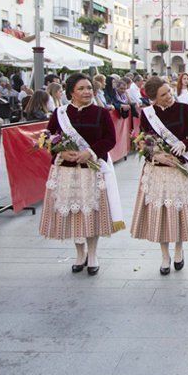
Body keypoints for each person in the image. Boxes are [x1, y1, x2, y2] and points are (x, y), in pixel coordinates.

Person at [38, 73, 124, 276]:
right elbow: (48, 137)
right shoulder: (59, 113)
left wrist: (90, 152)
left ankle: (93, 254)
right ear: (71, 93)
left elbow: (109, 139)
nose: (87, 92)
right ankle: (80, 253)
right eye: (82, 89)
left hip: (91, 171)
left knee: (91, 214)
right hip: (66, 171)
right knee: (75, 214)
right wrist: (59, 150)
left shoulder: (101, 113)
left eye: (89, 88)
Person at [131, 76, 188, 276]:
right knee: (161, 212)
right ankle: (164, 255)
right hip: (158, 169)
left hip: (179, 167)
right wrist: (156, 154)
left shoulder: (183, 109)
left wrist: (184, 144)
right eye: (163, 95)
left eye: (169, 92)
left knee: (178, 211)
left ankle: (179, 249)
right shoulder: (147, 114)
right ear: (153, 98)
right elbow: (144, 140)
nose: (169, 97)